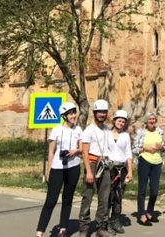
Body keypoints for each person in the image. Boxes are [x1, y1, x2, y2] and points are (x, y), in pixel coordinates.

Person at [35, 101, 82, 237]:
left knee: (68, 199)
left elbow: (82, 149)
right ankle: (40, 232)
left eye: (74, 112)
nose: (73, 115)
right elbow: (51, 152)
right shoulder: (56, 130)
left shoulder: (78, 130)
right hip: (57, 168)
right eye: (70, 113)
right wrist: (49, 170)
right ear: (64, 116)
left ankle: (63, 229)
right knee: (51, 200)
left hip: (73, 168)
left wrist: (76, 151)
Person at [78, 99, 112, 237]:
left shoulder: (107, 130)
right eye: (99, 112)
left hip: (105, 164)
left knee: (104, 197)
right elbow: (84, 152)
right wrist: (89, 172)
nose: (102, 115)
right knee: (88, 196)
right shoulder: (88, 131)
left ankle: (101, 226)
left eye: (104, 112)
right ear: (94, 113)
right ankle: (84, 228)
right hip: (92, 163)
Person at [133, 112, 165, 226]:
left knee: (154, 190)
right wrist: (145, 148)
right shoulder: (141, 132)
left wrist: (161, 147)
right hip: (144, 161)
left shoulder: (160, 131)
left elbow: (164, 147)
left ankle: (150, 211)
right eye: (149, 119)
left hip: (157, 162)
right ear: (146, 121)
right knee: (142, 189)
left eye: (153, 119)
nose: (152, 121)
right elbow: (134, 149)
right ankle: (142, 214)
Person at [106, 110, 133, 234]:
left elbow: (128, 153)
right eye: (119, 120)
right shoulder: (107, 134)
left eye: (123, 121)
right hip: (110, 168)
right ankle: (105, 223)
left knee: (118, 196)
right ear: (114, 121)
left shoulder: (126, 136)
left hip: (122, 169)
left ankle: (115, 220)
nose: (121, 123)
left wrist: (130, 171)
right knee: (108, 196)